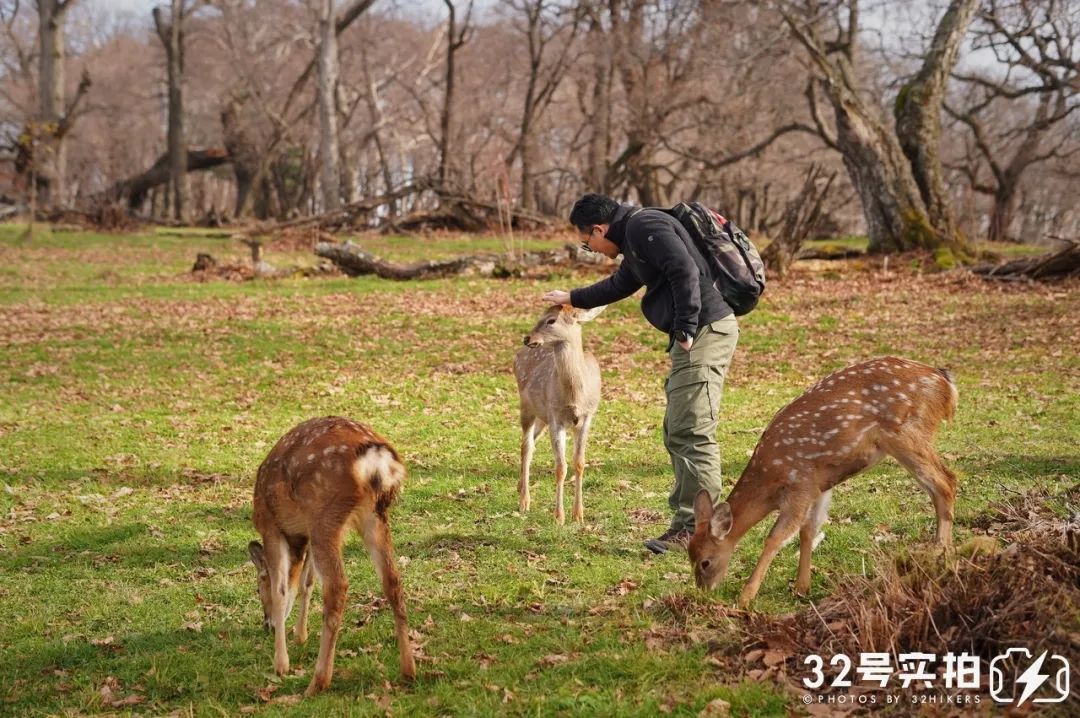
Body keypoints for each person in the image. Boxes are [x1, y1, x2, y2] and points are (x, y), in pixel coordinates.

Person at [542, 193, 739, 554]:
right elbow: (620, 285)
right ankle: (685, 525)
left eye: (589, 243)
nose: (593, 250)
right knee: (677, 430)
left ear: (600, 229)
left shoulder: (645, 226)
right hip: (697, 335)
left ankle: (700, 532)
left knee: (692, 430)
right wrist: (572, 296)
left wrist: (684, 327)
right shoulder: (635, 236)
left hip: (704, 333)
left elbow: (684, 270)